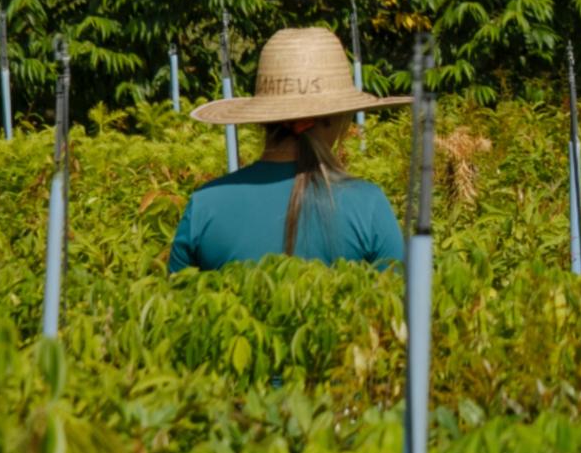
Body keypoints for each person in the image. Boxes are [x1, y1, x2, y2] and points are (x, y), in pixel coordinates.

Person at [169, 26, 409, 273]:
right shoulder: (368, 205)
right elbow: (398, 294)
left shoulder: (205, 205)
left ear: (262, 119)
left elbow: (173, 295)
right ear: (334, 119)